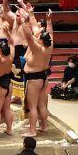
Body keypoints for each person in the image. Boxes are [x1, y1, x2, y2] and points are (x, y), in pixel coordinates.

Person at [20, 9, 54, 137]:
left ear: (40, 40)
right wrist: (49, 21)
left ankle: (32, 130)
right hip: (44, 77)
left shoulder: (37, 48)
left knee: (33, 106)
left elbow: (28, 37)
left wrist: (25, 23)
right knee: (41, 104)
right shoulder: (49, 47)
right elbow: (50, 32)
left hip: (34, 79)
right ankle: (44, 126)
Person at [0, 40, 16, 135]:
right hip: (8, 83)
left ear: (0, 50)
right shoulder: (11, 57)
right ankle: (9, 129)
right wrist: (8, 33)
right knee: (7, 108)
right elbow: (12, 43)